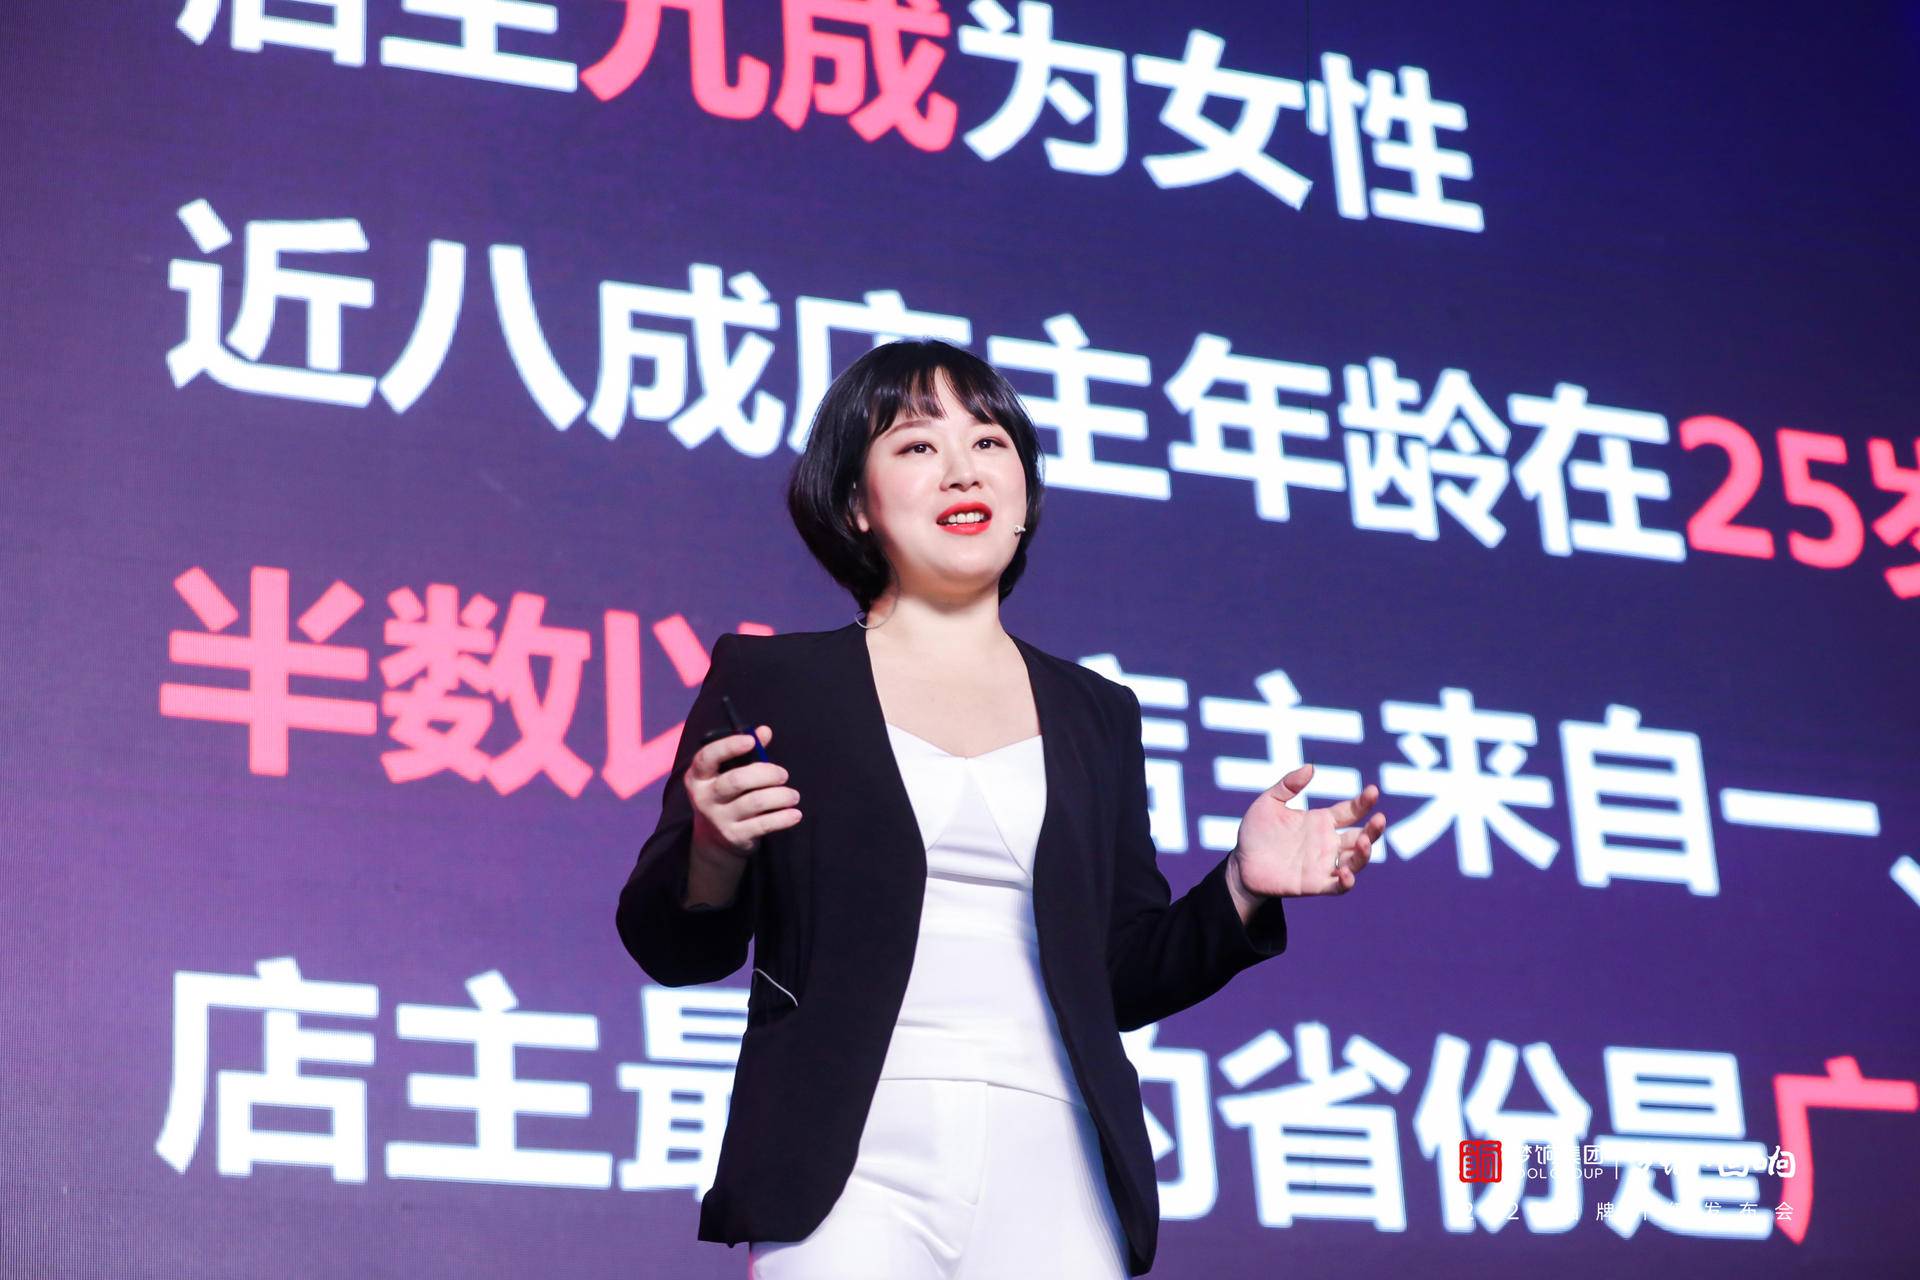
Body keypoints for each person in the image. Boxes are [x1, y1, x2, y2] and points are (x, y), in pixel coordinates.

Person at [616, 339, 1385, 1278]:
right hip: (847, 1161)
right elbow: (673, 947)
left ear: (1023, 491)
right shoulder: (777, 681)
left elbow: (1119, 976)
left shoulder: (1097, 712)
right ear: (856, 503)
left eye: (989, 442)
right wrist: (714, 848)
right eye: (916, 445)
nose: (963, 468)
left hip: (1058, 1159)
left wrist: (1240, 888)